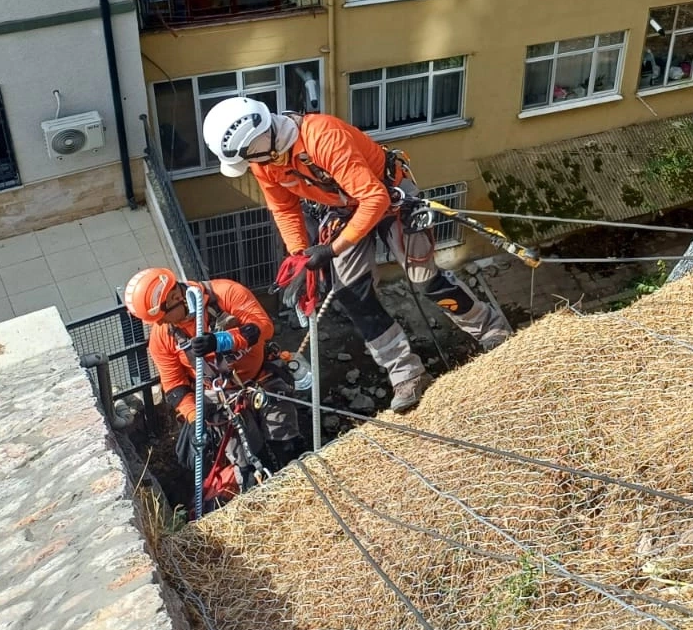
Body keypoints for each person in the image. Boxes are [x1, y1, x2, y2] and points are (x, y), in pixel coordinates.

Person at [199, 96, 512, 412]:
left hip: (390, 196)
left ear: (259, 140)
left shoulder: (322, 137)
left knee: (425, 280)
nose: (250, 164)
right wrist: (300, 254)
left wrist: (331, 249)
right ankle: (406, 374)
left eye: (248, 155)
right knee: (351, 294)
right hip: (345, 209)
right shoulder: (265, 163)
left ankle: (491, 328)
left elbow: (375, 199)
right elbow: (284, 208)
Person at [123, 266, 302, 493]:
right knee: (247, 462)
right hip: (221, 397)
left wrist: (222, 341)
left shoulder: (225, 293)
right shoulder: (163, 339)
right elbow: (175, 386)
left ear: (176, 297)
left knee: (286, 444)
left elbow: (262, 327)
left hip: (262, 378)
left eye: (161, 317)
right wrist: (194, 418)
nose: (159, 324)